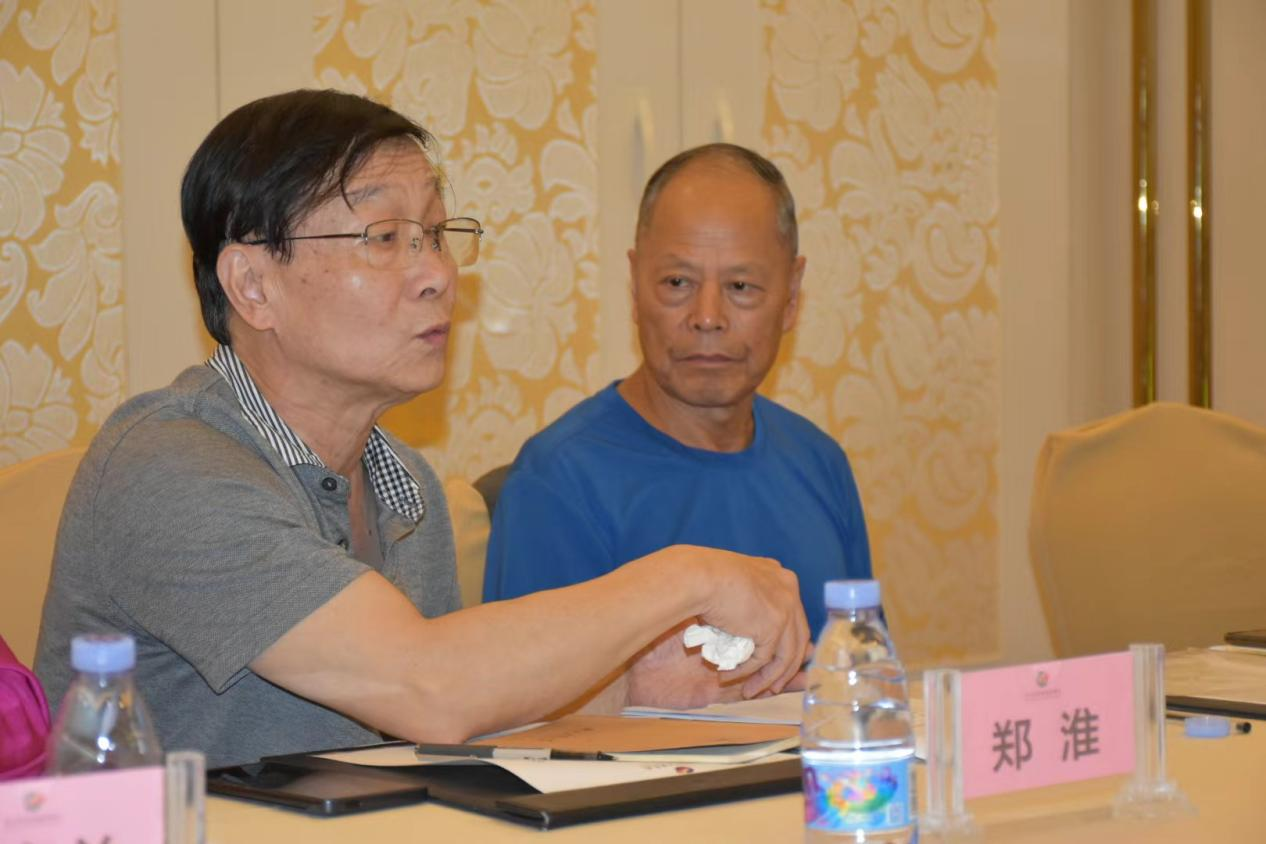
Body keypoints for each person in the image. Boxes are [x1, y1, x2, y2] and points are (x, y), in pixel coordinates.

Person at [33, 91, 809, 769]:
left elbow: (457, 709)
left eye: (436, 234)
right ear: (253, 285)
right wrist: (688, 576)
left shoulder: (404, 487)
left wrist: (643, 682)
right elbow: (427, 685)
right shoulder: (166, 468)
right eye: (383, 238)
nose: (439, 273)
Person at [483, 143, 871, 649]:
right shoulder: (558, 482)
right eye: (677, 282)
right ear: (635, 285)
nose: (707, 316)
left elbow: (863, 678)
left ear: (792, 296)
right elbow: (531, 694)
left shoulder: (820, 463)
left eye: (741, 286)